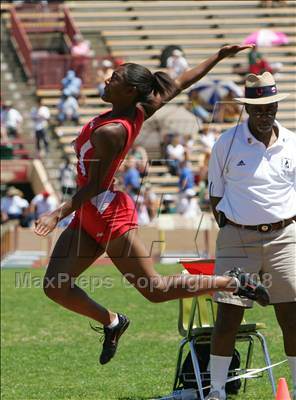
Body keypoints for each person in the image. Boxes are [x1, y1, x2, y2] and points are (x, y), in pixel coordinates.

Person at [34, 44, 269, 370]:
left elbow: (97, 185)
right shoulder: (139, 109)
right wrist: (217, 55)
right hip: (91, 212)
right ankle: (113, 322)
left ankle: (233, 282)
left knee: (154, 289)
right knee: (55, 286)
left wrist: (56, 212)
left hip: (106, 213)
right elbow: (181, 81)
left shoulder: (113, 130)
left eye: (113, 78)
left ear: (129, 91)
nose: (106, 79)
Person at [206, 72, 296, 400]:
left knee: (292, 316)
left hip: (285, 237)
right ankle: (217, 390)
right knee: (228, 316)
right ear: (246, 108)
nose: (264, 115)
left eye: (269, 108)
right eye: (257, 109)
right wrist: (233, 227)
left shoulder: (292, 142)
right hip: (237, 238)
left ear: (276, 106)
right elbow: (215, 193)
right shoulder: (226, 143)